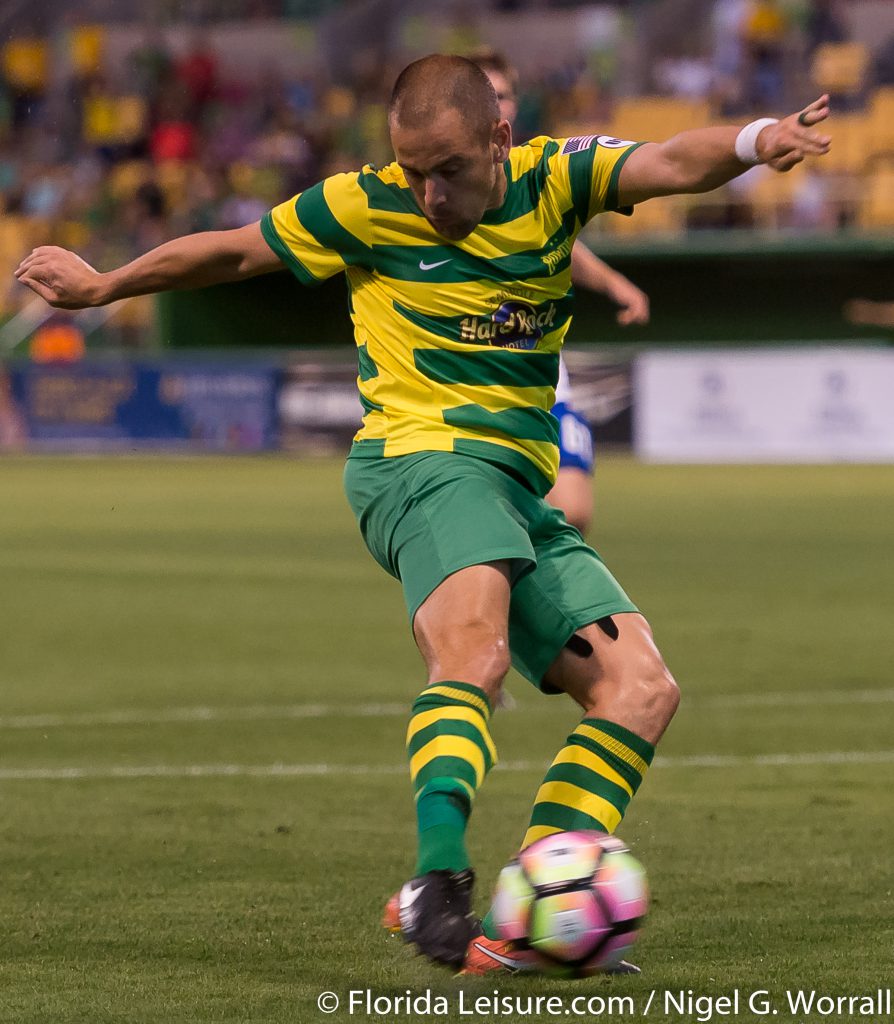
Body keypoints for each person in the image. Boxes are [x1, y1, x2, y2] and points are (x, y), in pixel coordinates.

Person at [15, 55, 831, 975]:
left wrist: (761, 141)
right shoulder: (363, 205)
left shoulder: (556, 179)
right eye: (411, 171)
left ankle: (535, 906)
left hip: (516, 489)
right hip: (420, 461)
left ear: (496, 139)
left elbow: (676, 164)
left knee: (641, 690)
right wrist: (104, 284)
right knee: (472, 657)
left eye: (446, 170)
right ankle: (436, 885)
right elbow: (235, 248)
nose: (428, 193)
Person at [472, 48, 650, 535]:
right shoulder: (434, 190)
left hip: (538, 373)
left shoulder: (536, 173)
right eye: (483, 97)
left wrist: (615, 284)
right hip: (465, 383)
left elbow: (561, 246)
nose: (496, 107)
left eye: (504, 96)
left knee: (573, 513)